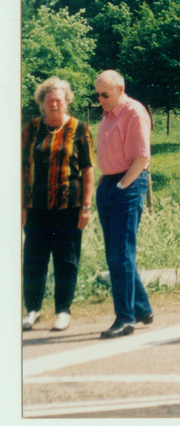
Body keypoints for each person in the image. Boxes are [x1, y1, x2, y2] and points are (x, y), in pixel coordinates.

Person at [21, 78, 95, 332]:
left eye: (58, 99)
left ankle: (63, 311)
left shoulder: (80, 129)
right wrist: (21, 205)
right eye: (49, 99)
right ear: (42, 103)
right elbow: (22, 169)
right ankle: (32, 310)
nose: (54, 104)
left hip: (70, 209)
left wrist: (86, 206)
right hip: (36, 208)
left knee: (67, 261)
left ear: (67, 101)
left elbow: (87, 170)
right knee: (33, 260)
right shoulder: (30, 129)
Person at [94, 70, 154, 339]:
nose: (100, 100)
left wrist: (120, 187)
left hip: (128, 183)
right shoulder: (108, 115)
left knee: (120, 252)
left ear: (119, 89)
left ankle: (125, 318)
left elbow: (141, 158)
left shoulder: (134, 112)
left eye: (104, 94)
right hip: (108, 183)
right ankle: (141, 309)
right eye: (97, 95)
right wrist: (105, 185)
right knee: (117, 251)